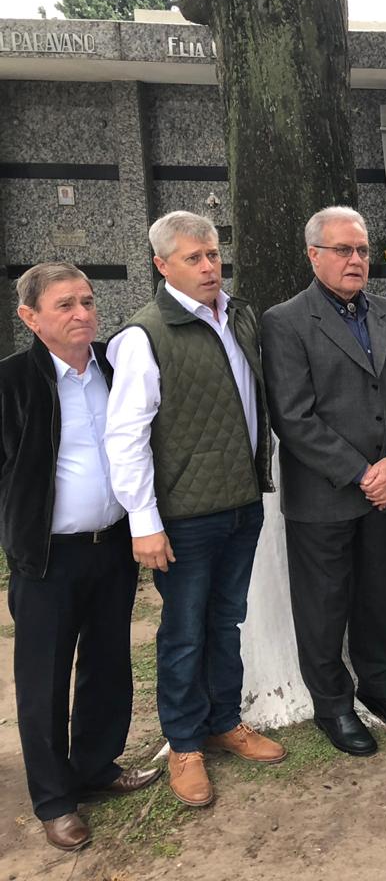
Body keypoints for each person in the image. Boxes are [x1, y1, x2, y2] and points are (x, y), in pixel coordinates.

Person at [106, 212, 283, 808]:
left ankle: (224, 721)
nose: (210, 267)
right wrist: (144, 521)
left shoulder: (239, 317)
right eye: (193, 258)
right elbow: (126, 436)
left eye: (213, 255)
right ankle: (184, 743)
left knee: (226, 620)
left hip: (240, 504)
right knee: (183, 632)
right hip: (184, 516)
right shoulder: (144, 335)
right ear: (162, 264)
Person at [261, 206, 386, 755]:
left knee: (381, 597)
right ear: (314, 255)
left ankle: (380, 687)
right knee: (325, 605)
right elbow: (293, 416)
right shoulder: (285, 321)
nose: (355, 260)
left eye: (361, 250)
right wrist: (362, 473)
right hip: (326, 495)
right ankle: (332, 705)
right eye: (342, 250)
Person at [2, 264, 159, 852]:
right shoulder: (13, 381)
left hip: (112, 547)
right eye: (65, 304)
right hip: (47, 558)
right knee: (42, 680)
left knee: (108, 664)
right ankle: (54, 798)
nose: (82, 313)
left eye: (88, 301)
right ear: (31, 318)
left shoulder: (115, 371)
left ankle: (95, 766)